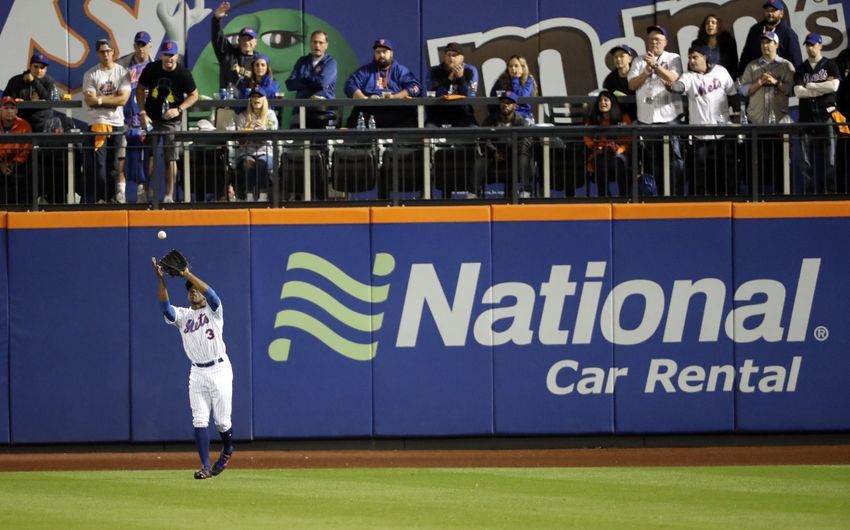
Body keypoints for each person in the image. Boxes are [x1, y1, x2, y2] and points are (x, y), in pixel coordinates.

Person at [151, 257, 234, 480]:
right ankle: (205, 466)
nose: (193, 292)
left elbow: (213, 295)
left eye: (196, 290)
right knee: (199, 420)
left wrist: (187, 274)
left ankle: (227, 450)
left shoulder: (215, 311)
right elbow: (165, 308)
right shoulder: (184, 316)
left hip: (219, 369)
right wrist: (161, 280)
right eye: (190, 291)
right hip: (197, 372)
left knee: (223, 422)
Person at [670, 44, 738, 195]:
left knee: (725, 175)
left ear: (705, 58)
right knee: (700, 177)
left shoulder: (721, 71)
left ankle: (727, 202)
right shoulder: (689, 76)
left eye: (695, 57)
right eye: (689, 58)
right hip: (700, 136)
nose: (692, 61)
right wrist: (671, 87)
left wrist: (738, 114)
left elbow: (732, 94)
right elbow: (680, 87)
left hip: (722, 134)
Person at [137, 40, 199, 203]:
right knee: (148, 155)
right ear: (161, 55)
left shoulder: (183, 73)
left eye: (172, 55)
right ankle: (145, 192)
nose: (169, 58)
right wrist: (143, 112)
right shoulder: (152, 68)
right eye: (166, 55)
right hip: (151, 118)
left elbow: (194, 95)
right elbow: (140, 89)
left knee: (170, 158)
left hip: (172, 121)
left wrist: (178, 109)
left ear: (176, 56)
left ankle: (168, 196)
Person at [627, 25, 683, 194]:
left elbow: (674, 77)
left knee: (675, 158)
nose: (654, 43)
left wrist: (656, 66)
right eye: (651, 40)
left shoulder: (673, 57)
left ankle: (677, 195)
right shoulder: (638, 60)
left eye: (658, 40)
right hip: (647, 117)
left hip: (669, 115)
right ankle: (660, 195)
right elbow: (631, 84)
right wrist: (645, 72)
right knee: (655, 159)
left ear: (665, 42)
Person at [739, 31, 795, 193]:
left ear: (776, 45)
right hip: (756, 124)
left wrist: (776, 82)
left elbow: (792, 90)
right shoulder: (752, 66)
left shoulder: (786, 65)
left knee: (781, 166)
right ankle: (754, 201)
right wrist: (760, 82)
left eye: (769, 42)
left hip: (779, 124)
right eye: (763, 42)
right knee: (754, 166)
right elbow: (743, 90)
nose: (765, 45)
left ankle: (782, 201)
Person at [81, 38, 131, 204]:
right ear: (97, 53)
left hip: (117, 123)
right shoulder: (91, 74)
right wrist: (112, 98)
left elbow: (123, 100)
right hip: (98, 123)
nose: (106, 54)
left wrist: (100, 100)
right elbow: (90, 101)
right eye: (102, 51)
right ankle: (100, 198)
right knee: (99, 165)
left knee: (114, 165)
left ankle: (111, 197)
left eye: (108, 51)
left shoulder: (122, 73)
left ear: (113, 52)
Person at [793, 33, 840, 194]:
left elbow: (834, 86)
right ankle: (808, 193)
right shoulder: (801, 68)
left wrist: (812, 86)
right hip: (806, 117)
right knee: (805, 161)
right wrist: (821, 88)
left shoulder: (830, 64)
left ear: (820, 45)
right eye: (807, 45)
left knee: (831, 160)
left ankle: (830, 193)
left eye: (813, 44)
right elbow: (798, 92)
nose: (810, 48)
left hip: (826, 116)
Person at [344, 38, 422, 128]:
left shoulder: (400, 70)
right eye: (378, 52)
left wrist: (395, 97)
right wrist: (365, 99)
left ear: (391, 53)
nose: (381, 55)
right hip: (370, 111)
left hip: (396, 111)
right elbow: (350, 85)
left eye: (385, 52)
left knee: (409, 118)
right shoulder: (365, 71)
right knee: (355, 119)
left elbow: (416, 86)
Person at [116, 30, 153, 203]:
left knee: (148, 155)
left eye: (144, 45)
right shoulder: (122, 64)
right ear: (134, 46)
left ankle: (142, 190)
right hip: (125, 116)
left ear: (150, 46)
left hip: (147, 117)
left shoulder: (155, 66)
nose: (141, 48)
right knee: (121, 153)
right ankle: (120, 191)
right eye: (138, 45)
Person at [478, 91, 534, 198]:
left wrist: (513, 153)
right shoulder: (491, 119)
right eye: (503, 102)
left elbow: (525, 142)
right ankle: (473, 193)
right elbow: (483, 139)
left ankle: (525, 191)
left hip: (515, 157)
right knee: (480, 161)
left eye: (509, 103)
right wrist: (494, 152)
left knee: (524, 159)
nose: (506, 105)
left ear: (515, 106)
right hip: (495, 157)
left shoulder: (521, 121)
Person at [285, 30, 338, 129]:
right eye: (315, 42)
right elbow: (290, 84)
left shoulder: (331, 62)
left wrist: (303, 79)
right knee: (296, 140)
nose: (317, 45)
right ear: (310, 43)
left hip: (323, 111)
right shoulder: (302, 61)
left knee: (321, 143)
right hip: (300, 110)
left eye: (321, 43)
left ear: (326, 45)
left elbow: (322, 83)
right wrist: (313, 82)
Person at [584, 90, 631, 196]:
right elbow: (587, 137)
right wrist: (595, 146)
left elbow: (628, 139)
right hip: (600, 153)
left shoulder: (623, 118)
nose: (602, 103)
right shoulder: (593, 119)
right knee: (600, 161)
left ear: (612, 102)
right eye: (600, 100)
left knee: (619, 161)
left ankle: (624, 196)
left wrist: (620, 150)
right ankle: (603, 196)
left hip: (619, 153)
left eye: (606, 100)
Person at [234, 89, 278, 201]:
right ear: (250, 99)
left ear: (264, 99)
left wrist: (263, 129)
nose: (256, 99)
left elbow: (273, 132)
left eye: (259, 96)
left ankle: (263, 195)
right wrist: (248, 132)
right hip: (247, 151)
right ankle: (249, 195)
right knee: (248, 163)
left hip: (265, 151)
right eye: (254, 96)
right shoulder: (243, 116)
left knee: (261, 163)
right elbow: (239, 139)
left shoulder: (270, 114)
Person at [738, 0, 802, 78]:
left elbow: (796, 61)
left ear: (781, 13)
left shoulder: (789, 34)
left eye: (773, 11)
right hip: (756, 78)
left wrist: (797, 81)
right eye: (767, 10)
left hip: (779, 80)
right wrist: (741, 73)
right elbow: (746, 54)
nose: (770, 13)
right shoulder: (755, 30)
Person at [427, 42, 479, 127]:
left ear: (462, 58)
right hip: (439, 114)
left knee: (474, 129)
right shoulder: (434, 71)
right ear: (444, 57)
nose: (451, 57)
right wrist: (449, 80)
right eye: (448, 54)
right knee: (428, 130)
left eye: (454, 55)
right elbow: (432, 95)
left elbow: (471, 96)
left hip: (463, 114)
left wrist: (461, 79)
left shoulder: (470, 70)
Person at [3, 51, 57, 133]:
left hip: (43, 121)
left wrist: (33, 81)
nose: (39, 70)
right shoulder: (16, 80)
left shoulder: (49, 81)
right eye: (36, 67)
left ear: (46, 69)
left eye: (42, 68)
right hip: (21, 120)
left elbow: (50, 99)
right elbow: (7, 100)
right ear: (30, 66)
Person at [212, 1, 257, 90]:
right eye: (244, 39)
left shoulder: (259, 61)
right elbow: (218, 38)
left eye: (250, 39)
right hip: (229, 102)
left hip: (252, 102)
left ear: (255, 42)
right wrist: (216, 20)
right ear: (238, 41)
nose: (247, 42)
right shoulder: (228, 56)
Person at [0, 96, 32, 205]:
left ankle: (23, 208)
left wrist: (14, 163)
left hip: (18, 164)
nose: (9, 111)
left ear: (16, 111)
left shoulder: (24, 125)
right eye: (6, 108)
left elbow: (26, 149)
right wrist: (1, 164)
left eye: (12, 108)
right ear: (0, 110)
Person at [489, 55, 537, 123]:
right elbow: (494, 95)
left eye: (516, 66)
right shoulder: (502, 80)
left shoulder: (528, 80)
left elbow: (522, 97)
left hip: (523, 115)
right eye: (510, 66)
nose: (513, 69)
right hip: (504, 115)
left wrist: (515, 79)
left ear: (523, 68)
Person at [602, 44, 636, 120]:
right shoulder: (610, 79)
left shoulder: (638, 75)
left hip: (640, 116)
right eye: (615, 57)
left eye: (622, 56)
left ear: (630, 59)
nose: (618, 59)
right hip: (620, 118)